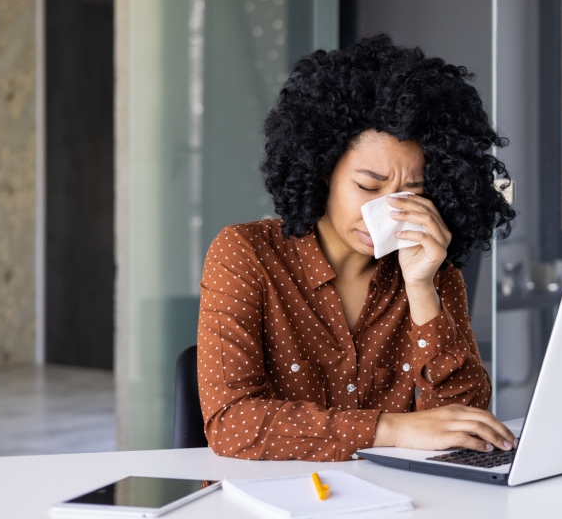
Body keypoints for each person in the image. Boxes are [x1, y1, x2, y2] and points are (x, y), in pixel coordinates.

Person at [197, 35, 517, 462]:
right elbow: (232, 423)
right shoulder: (246, 254)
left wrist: (422, 289)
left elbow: (464, 423)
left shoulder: (431, 266)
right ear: (322, 171)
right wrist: (393, 429)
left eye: (412, 192)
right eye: (369, 186)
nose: (387, 210)